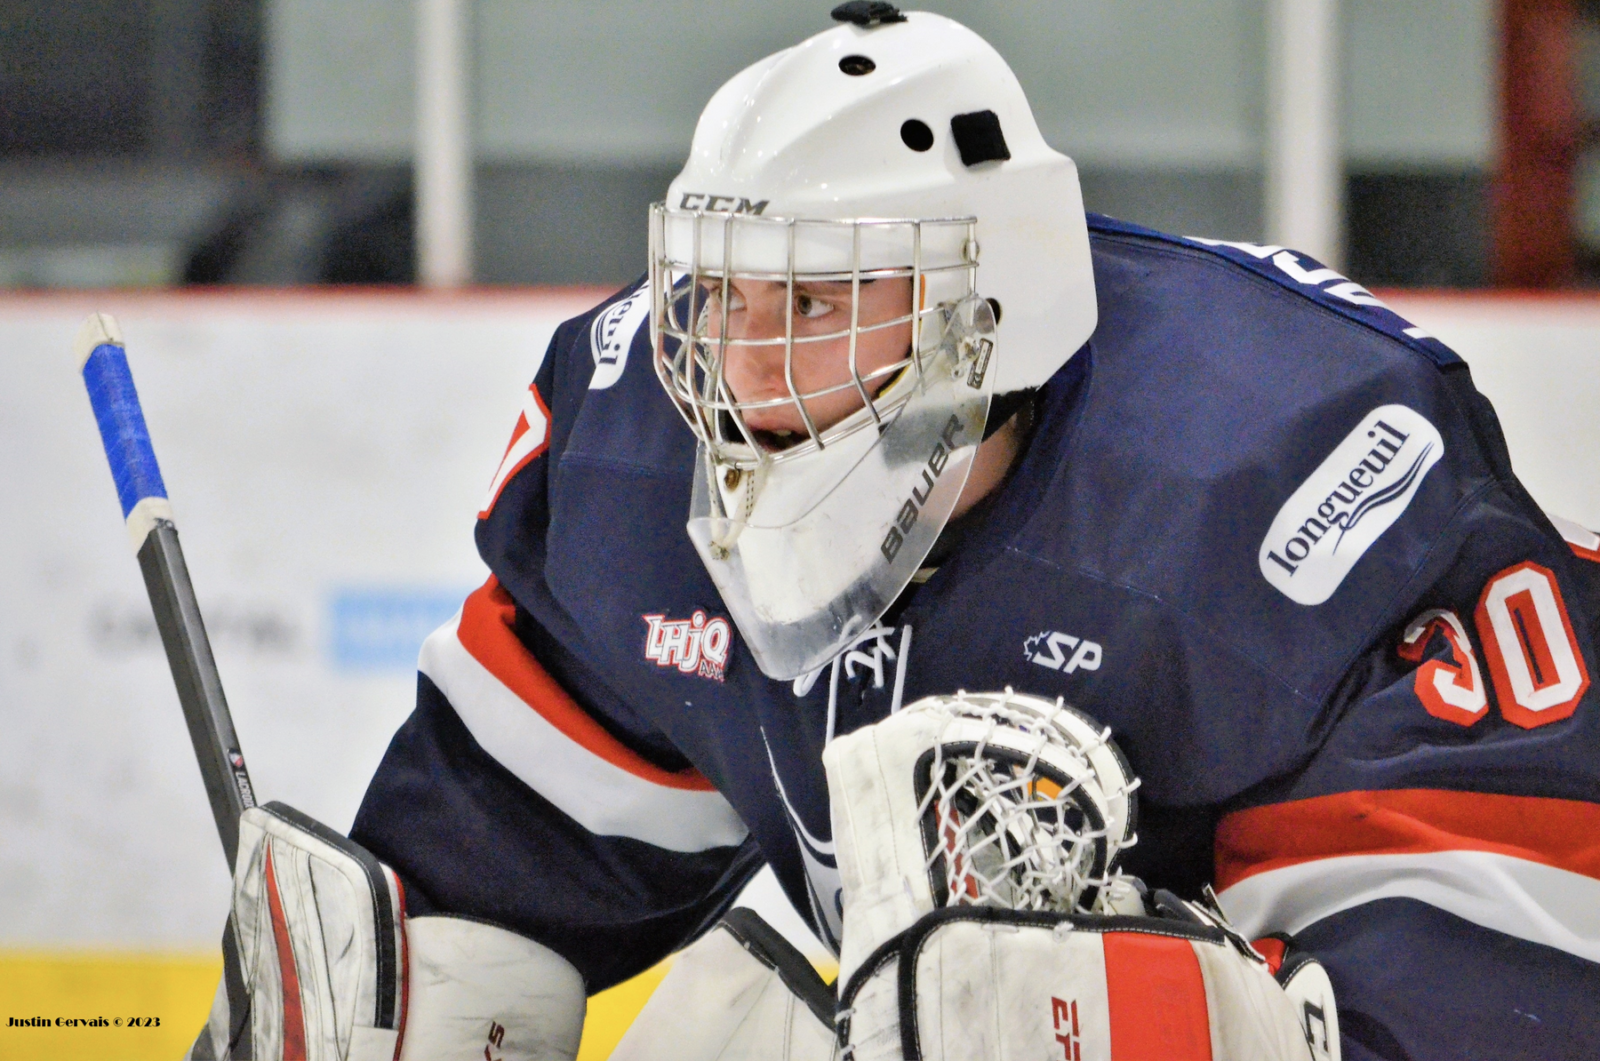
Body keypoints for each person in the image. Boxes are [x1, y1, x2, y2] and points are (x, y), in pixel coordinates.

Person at [191, 6, 1600, 1061]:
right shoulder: (632, 451)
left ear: (995, 306)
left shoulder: (1281, 462)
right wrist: (405, 969)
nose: (740, 372)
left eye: (811, 305)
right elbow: (506, 843)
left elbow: (1519, 977)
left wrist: (1178, 1021)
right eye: (723, 297)